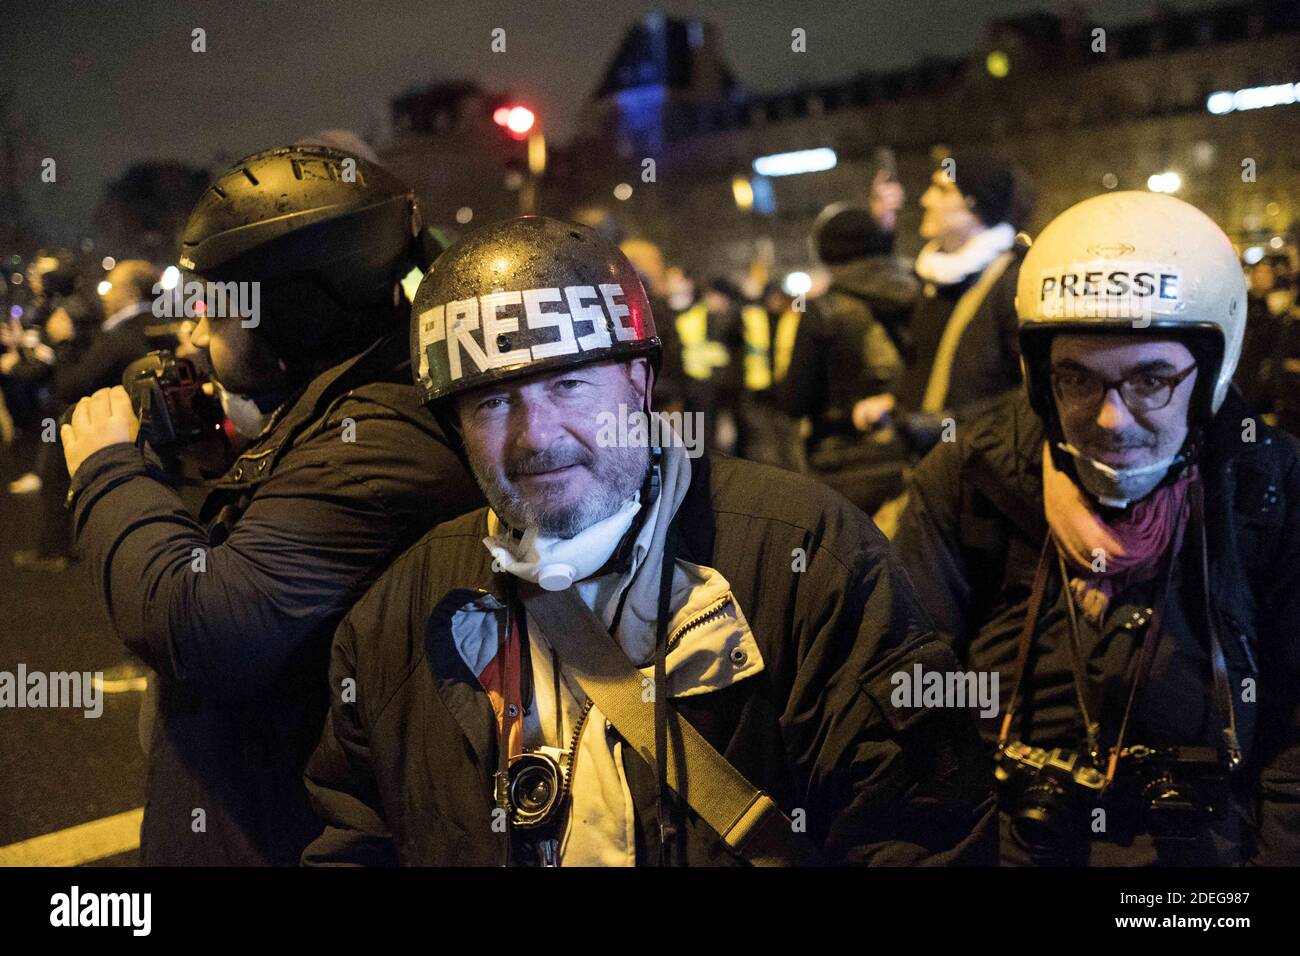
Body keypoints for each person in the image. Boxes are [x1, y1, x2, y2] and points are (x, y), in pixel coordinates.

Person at [302, 216, 996, 867]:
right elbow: (353, 838)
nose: (535, 435)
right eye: (493, 401)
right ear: (454, 423)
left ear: (638, 382)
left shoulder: (808, 557)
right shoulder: (399, 616)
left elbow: (919, 831)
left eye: (568, 384)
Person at [59, 145, 481, 865]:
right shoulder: (357, 402)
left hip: (289, 837)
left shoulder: (379, 447)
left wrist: (107, 469)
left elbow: (196, 622)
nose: (193, 333)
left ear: (291, 316)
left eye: (215, 308)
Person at [892, 191, 1300, 866]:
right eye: (1077, 380)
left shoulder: (1271, 487)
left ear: (1211, 376)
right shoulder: (971, 479)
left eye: (1151, 380)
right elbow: (905, 698)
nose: (1112, 420)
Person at [854, 151, 1033, 457]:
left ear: (974, 206)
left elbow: (1029, 394)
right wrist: (895, 402)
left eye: (941, 189)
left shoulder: (1013, 281)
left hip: (985, 467)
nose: (925, 200)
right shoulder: (934, 281)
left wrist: (948, 424)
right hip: (937, 467)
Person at [781, 202, 916, 509]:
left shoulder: (822, 310)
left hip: (842, 463)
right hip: (910, 450)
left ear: (827, 253)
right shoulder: (918, 294)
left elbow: (797, 399)